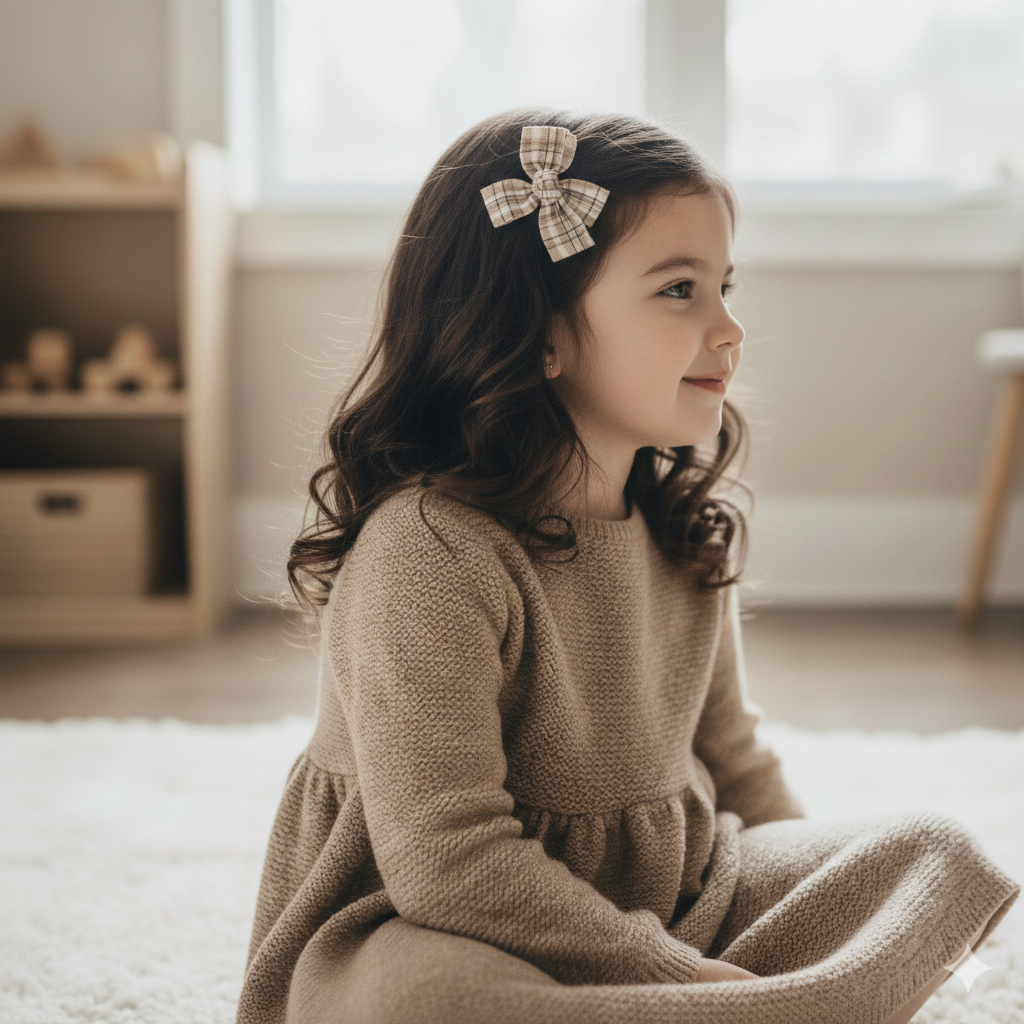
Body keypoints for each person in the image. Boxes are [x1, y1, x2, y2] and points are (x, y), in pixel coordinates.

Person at [236, 109, 1020, 1024]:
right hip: (447, 923)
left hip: (681, 899)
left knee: (936, 855)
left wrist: (810, 898)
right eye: (679, 290)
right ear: (540, 332)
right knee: (417, 997)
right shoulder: (430, 551)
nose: (729, 329)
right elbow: (447, 863)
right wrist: (671, 968)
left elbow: (737, 765)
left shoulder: (679, 528)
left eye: (726, 287)